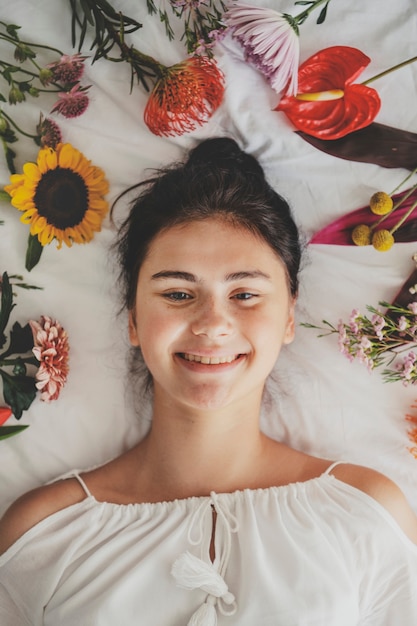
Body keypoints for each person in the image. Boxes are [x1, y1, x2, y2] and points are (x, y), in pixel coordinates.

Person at [1, 137, 417, 625]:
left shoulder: (362, 514)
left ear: (289, 318)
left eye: (244, 294)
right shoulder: (47, 534)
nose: (212, 324)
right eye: (178, 293)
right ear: (134, 319)